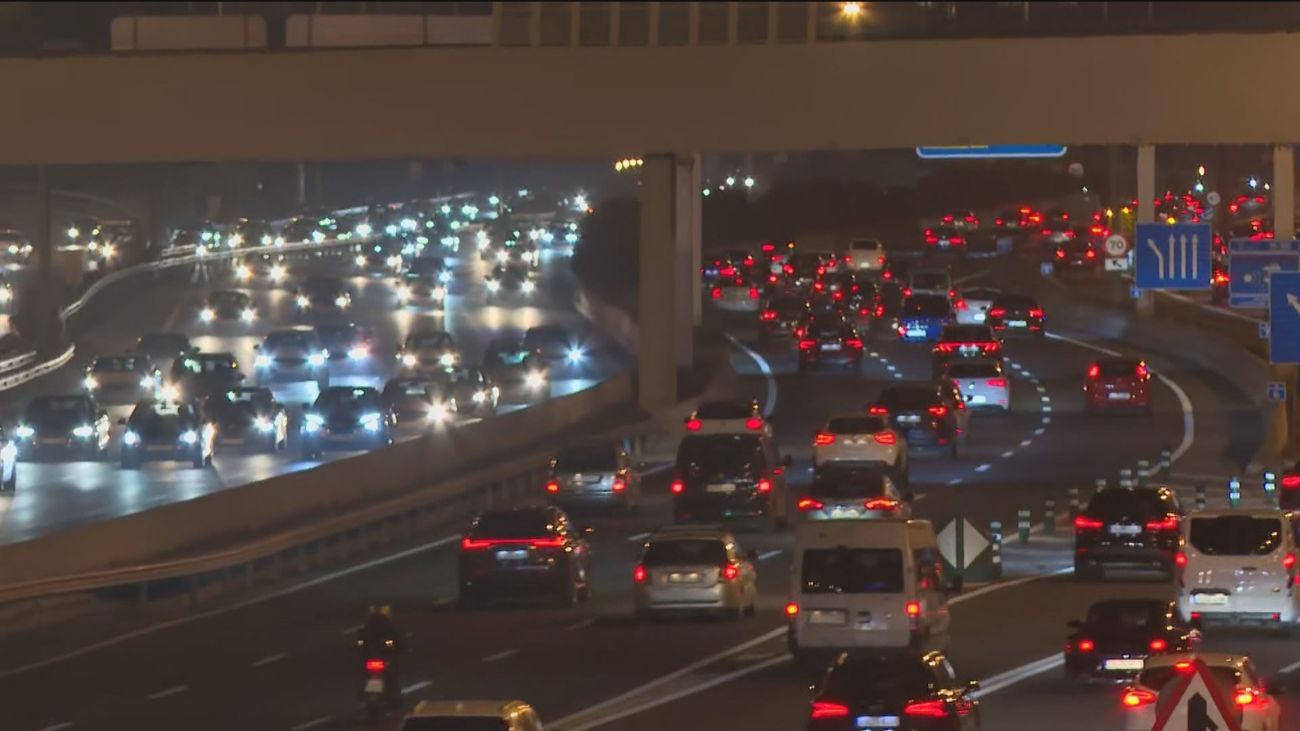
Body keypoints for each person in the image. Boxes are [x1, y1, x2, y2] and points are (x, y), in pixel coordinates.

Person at [356, 605, 402, 704]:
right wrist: (393, 647)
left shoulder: (368, 625)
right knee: (391, 673)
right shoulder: (386, 625)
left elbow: (360, 641)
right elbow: (392, 639)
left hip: (372, 657)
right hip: (380, 656)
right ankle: (393, 696)